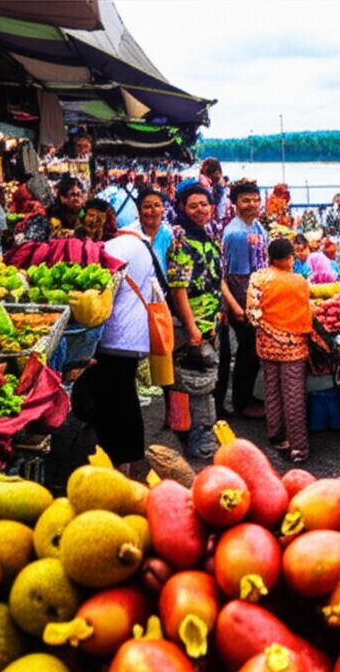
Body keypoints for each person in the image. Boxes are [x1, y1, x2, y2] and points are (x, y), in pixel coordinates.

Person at [75, 227, 161, 468]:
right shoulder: (136, 244)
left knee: (115, 400)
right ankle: (127, 458)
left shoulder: (119, 247)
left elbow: (107, 286)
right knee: (123, 397)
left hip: (116, 336)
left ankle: (121, 460)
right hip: (127, 335)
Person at [165, 181, 224, 459]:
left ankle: (197, 434)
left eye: (204, 204)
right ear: (182, 209)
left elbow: (215, 279)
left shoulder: (208, 236)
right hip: (192, 325)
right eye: (193, 205)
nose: (200, 209)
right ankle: (196, 439)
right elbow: (178, 290)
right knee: (194, 383)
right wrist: (191, 328)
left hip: (210, 322)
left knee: (202, 380)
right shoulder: (181, 242)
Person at [247, 238, 317, 463]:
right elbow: (306, 311)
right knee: (293, 395)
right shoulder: (298, 282)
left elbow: (253, 313)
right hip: (293, 347)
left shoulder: (258, 278)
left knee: (272, 390)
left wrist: (270, 331)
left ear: (269, 257)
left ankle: (276, 436)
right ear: (289, 258)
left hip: (266, 345)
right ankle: (298, 448)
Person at [219, 179, 268, 419]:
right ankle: (242, 403)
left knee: (252, 351)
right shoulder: (237, 233)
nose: (251, 204)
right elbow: (237, 278)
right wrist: (244, 309)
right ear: (235, 203)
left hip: (256, 297)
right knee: (248, 352)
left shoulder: (257, 227)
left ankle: (246, 398)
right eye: (245, 200)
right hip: (244, 301)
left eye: (255, 199)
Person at [123, 188, 173, 272]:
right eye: (147, 207)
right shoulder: (128, 234)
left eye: (157, 205)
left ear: (163, 209)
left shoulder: (170, 234)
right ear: (139, 211)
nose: (153, 210)